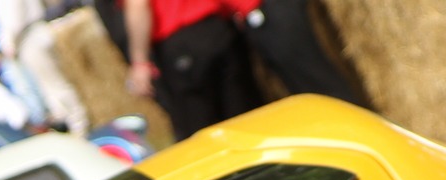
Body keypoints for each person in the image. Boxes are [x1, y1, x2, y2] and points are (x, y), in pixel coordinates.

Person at [124, 0, 260, 141]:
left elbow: (138, 4)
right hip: (220, 29)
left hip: (182, 40)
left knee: (200, 133)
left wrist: (140, 61)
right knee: (246, 117)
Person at [219, 0, 363, 104]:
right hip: (260, 12)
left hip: (265, 10)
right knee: (311, 88)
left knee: (318, 86)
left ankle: (359, 133)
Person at [0, 0, 92, 135]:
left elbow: (14, 19)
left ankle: (80, 128)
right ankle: (76, 126)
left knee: (55, 87)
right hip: (35, 31)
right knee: (55, 86)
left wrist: (8, 46)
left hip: (28, 35)